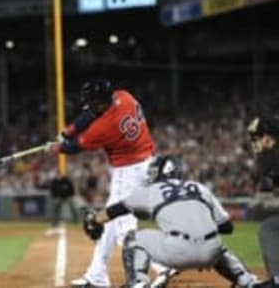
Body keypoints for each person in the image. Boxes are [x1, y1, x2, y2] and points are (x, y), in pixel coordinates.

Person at [46, 80, 168, 287]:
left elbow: (77, 146)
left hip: (128, 171)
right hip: (145, 162)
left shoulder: (105, 127)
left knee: (124, 231)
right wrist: (68, 131)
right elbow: (89, 115)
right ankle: (97, 276)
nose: (90, 106)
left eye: (93, 102)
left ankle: (162, 266)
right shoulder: (124, 96)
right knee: (108, 222)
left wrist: (58, 148)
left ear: (101, 101)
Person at [83, 155, 259, 288]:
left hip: (177, 251)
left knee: (133, 238)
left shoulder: (151, 190)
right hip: (210, 253)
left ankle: (138, 282)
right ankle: (247, 280)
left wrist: (95, 220)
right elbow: (227, 227)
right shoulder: (199, 187)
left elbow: (114, 211)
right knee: (218, 247)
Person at [247, 116, 279, 288]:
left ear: (269, 137)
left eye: (258, 137)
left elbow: (258, 175)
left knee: (269, 228)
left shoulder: (271, 156)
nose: (256, 142)